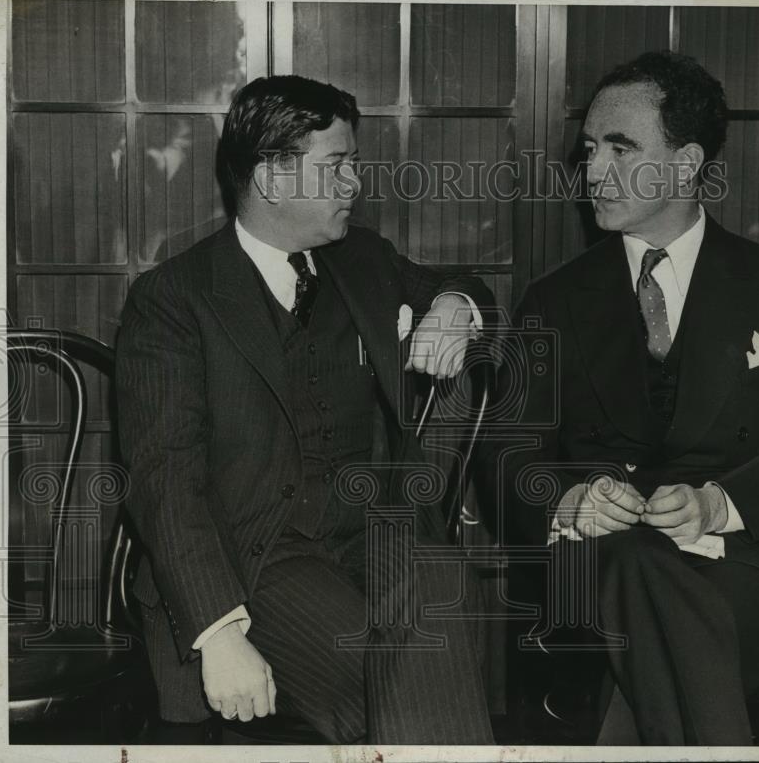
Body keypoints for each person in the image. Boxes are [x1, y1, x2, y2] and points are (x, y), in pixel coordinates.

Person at [488, 51, 759, 744]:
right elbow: (503, 461)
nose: (593, 171)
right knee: (632, 559)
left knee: (645, 594)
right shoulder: (556, 301)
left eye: (621, 149)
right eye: (591, 149)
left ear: (686, 164)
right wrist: (570, 499)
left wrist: (719, 504)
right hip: (595, 568)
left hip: (742, 566)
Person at [116, 75, 495, 744]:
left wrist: (454, 309)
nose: (355, 183)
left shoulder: (362, 258)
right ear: (272, 178)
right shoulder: (174, 299)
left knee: (443, 587)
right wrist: (221, 630)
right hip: (251, 561)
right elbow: (164, 479)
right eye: (338, 165)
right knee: (383, 690)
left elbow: (464, 286)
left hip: (373, 535)